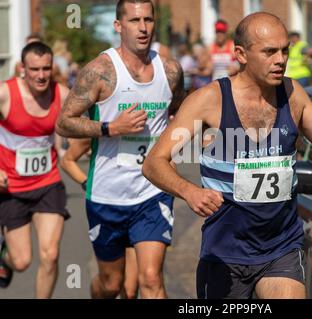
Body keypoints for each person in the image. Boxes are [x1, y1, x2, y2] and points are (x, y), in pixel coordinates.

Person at [142, 12, 312, 299]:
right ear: (241, 54)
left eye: (284, 50)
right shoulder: (208, 101)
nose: (280, 59)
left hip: (281, 247)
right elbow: (154, 162)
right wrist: (189, 191)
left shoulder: (292, 94)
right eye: (269, 52)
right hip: (225, 253)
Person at [56, 0, 185, 299]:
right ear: (118, 25)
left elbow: (178, 112)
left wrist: (182, 141)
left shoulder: (170, 70)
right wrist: (110, 128)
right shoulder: (100, 71)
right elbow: (64, 122)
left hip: (152, 191)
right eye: (134, 20)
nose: (143, 28)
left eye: (148, 20)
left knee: (151, 280)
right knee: (113, 285)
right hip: (107, 195)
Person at [0, 42, 71, 297]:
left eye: (46, 69)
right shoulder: (5, 94)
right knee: (22, 262)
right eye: (34, 69)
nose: (41, 76)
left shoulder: (61, 94)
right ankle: (5, 257)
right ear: (22, 69)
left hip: (47, 183)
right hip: (11, 189)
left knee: (50, 254)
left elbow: (84, 125)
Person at [60, 138, 139, 299]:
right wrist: (87, 183)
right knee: (111, 286)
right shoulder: (106, 129)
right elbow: (67, 160)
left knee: (130, 291)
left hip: (140, 209)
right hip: (107, 211)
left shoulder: (152, 129)